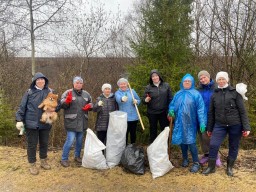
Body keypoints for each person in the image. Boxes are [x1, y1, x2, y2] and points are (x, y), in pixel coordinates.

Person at [202, 71, 250, 176]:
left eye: (223, 79)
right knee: (213, 144)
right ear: (217, 80)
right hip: (220, 125)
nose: (221, 81)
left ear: (227, 79)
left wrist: (246, 127)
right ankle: (211, 167)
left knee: (233, 146)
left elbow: (242, 111)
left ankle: (229, 167)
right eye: (219, 79)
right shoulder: (214, 94)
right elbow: (211, 113)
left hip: (235, 125)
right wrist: (209, 129)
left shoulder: (235, 92)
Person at [16, 72, 54, 175]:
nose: (40, 81)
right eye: (38, 79)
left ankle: (43, 161)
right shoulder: (29, 92)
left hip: (46, 122)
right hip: (31, 123)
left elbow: (55, 106)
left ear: (45, 81)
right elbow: (22, 107)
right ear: (35, 82)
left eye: (42, 79)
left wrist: (54, 108)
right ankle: (32, 164)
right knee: (32, 145)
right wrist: (19, 119)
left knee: (44, 143)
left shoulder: (50, 91)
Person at [168, 74, 206, 173]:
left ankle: (196, 162)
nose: (187, 83)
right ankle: (185, 159)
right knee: (182, 141)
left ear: (192, 83)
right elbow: (172, 105)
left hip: (191, 123)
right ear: (182, 83)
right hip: (179, 122)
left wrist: (202, 122)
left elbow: (201, 109)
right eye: (185, 81)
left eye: (189, 81)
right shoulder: (178, 94)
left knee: (191, 142)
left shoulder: (196, 94)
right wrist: (171, 111)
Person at [60, 76, 93, 167]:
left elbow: (91, 103)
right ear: (73, 84)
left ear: (82, 84)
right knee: (70, 141)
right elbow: (61, 104)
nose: (78, 84)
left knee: (79, 141)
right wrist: (67, 101)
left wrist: (90, 106)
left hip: (82, 122)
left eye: (80, 83)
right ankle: (64, 159)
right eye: (77, 83)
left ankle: (77, 156)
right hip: (71, 122)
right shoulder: (67, 92)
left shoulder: (86, 94)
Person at [197, 70, 221, 166]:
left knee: (213, 137)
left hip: (213, 116)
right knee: (203, 137)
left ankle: (216, 156)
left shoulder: (216, 87)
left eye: (204, 77)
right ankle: (206, 155)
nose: (203, 80)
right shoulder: (198, 90)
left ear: (209, 76)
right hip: (202, 116)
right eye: (201, 78)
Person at [142, 69, 172, 143]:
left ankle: (165, 147)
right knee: (153, 130)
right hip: (152, 113)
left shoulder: (166, 85)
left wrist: (170, 110)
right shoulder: (148, 87)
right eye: (153, 76)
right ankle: (153, 147)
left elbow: (170, 98)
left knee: (165, 130)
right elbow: (143, 100)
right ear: (151, 78)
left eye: (156, 76)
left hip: (163, 112)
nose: (155, 77)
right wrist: (146, 100)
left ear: (159, 76)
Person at [115, 78, 141, 145]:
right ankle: (125, 149)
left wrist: (136, 101)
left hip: (134, 117)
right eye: (121, 84)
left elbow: (139, 100)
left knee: (133, 134)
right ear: (119, 85)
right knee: (124, 134)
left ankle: (133, 148)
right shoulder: (118, 93)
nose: (123, 85)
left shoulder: (132, 91)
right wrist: (122, 99)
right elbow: (118, 100)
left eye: (124, 84)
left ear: (127, 84)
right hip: (124, 118)